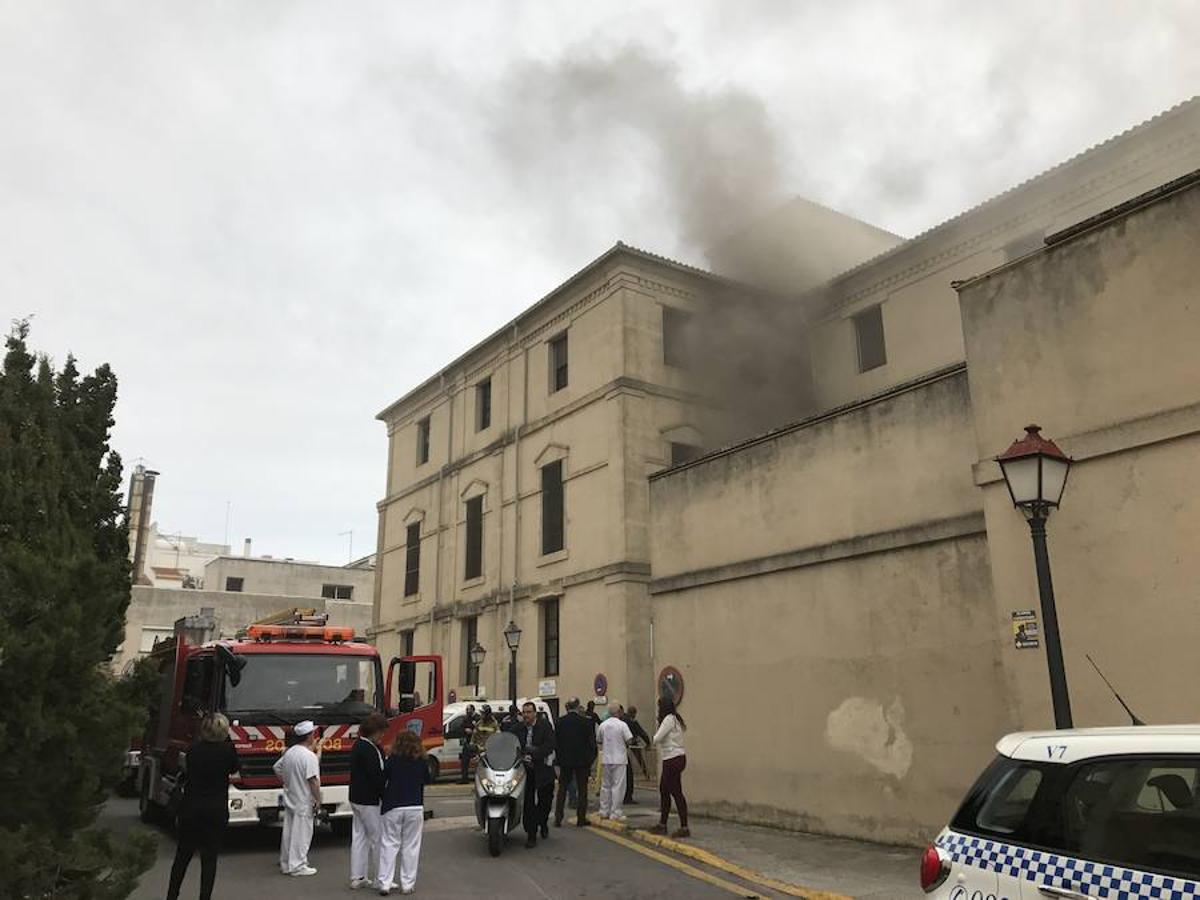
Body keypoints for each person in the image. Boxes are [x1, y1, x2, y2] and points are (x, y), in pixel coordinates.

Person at [165, 713, 240, 900]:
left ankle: (172, 895)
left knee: (183, 856)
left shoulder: (194, 750)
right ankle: (204, 897)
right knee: (209, 859)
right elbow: (234, 768)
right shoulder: (227, 751)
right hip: (215, 810)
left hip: (191, 808)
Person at [377, 730, 433, 896]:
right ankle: (407, 884)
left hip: (393, 805)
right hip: (414, 805)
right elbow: (428, 779)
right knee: (411, 846)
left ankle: (385, 883)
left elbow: (382, 779)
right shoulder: (422, 760)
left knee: (389, 844)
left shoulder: (392, 760)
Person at [273, 720, 323, 877]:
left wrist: (288, 780)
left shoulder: (290, 752)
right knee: (302, 833)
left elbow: (276, 767)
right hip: (303, 799)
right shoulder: (308, 756)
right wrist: (318, 799)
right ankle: (298, 865)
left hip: (291, 796)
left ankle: (287, 863)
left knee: (289, 832)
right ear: (309, 736)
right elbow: (313, 780)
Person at [348, 713, 388, 890]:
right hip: (369, 800)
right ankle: (382, 878)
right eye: (381, 732)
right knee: (377, 839)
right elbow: (376, 776)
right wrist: (385, 793)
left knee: (359, 837)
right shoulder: (370, 749)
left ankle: (358, 876)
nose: (383, 736)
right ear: (375, 731)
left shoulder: (358, 745)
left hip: (356, 797)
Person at [514, 701, 556, 847]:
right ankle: (531, 834)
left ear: (535, 713)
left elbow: (550, 744)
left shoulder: (544, 726)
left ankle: (542, 822)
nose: (526, 715)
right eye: (524, 712)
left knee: (545, 801)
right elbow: (511, 743)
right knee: (529, 803)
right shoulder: (518, 728)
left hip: (543, 768)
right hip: (526, 771)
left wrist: (535, 753)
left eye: (529, 712)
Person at [649, 697, 689, 838]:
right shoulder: (675, 719)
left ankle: (683, 827)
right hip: (678, 757)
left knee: (675, 792)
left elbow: (657, 738)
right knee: (665, 790)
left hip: (671, 758)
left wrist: (658, 725)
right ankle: (663, 824)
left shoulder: (667, 720)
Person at [553, 698, 596, 828]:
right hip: (582, 761)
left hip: (565, 761)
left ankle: (558, 818)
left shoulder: (559, 722)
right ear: (577, 707)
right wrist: (590, 760)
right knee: (582, 790)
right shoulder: (586, 722)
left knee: (562, 789)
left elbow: (556, 743)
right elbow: (591, 743)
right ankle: (581, 818)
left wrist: (558, 760)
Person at [596, 704, 634, 820]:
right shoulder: (622, 725)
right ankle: (615, 812)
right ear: (619, 712)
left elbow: (598, 739)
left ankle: (604, 810)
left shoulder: (603, 725)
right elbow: (629, 740)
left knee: (606, 785)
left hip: (607, 758)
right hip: (620, 759)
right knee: (618, 786)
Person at [622, 705, 652, 805]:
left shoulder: (622, 719)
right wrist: (648, 743)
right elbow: (642, 733)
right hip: (632, 742)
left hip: (622, 747)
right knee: (638, 760)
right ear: (634, 713)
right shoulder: (632, 721)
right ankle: (646, 774)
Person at [457, 704, 478, 784]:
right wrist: (465, 730)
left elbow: (480, 729)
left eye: (468, 710)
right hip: (467, 742)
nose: (467, 711)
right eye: (466, 710)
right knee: (464, 761)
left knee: (478, 762)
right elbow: (461, 728)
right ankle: (464, 778)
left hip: (476, 743)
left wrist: (472, 731)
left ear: (472, 710)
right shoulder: (466, 718)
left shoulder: (477, 718)